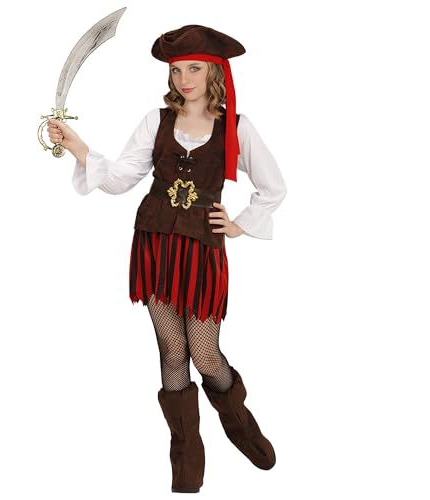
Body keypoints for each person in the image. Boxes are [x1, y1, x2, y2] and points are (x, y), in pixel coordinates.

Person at [47, 24, 287, 494]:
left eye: (194, 69)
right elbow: (120, 179)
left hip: (201, 251)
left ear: (215, 71)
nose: (184, 79)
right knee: (173, 353)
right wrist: (77, 146)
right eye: (177, 70)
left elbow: (274, 187)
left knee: (205, 352)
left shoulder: (236, 127)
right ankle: (186, 453)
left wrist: (240, 223)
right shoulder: (155, 122)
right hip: (155, 245)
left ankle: (240, 425)